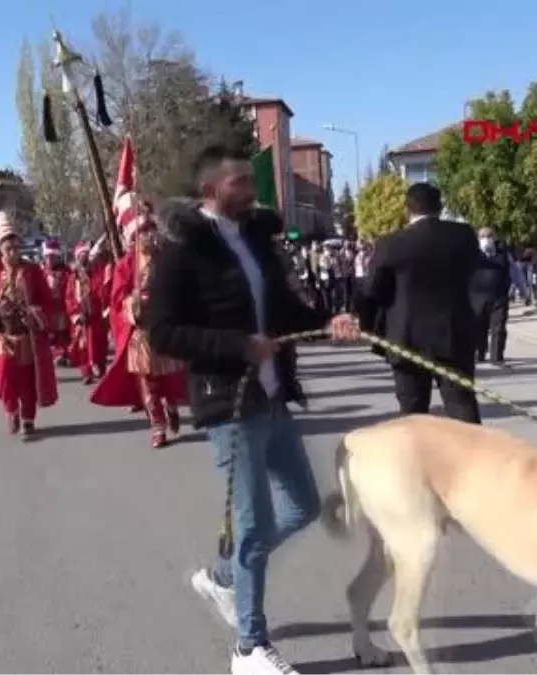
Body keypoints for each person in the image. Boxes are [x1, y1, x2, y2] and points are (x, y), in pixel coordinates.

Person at [145, 145, 358, 675]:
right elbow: (163, 331)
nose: (252, 188)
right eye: (242, 181)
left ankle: (223, 577)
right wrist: (237, 345)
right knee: (254, 521)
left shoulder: (257, 239)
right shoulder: (183, 249)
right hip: (229, 403)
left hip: (273, 394)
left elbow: (282, 308)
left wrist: (327, 322)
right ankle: (249, 648)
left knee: (303, 506)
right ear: (214, 190)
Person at [357, 182, 484, 424]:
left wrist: (369, 326)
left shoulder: (390, 243)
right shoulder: (463, 235)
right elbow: (473, 273)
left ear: (408, 209)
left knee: (413, 413)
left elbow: (371, 290)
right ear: (440, 206)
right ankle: (473, 459)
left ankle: (418, 459)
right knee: (462, 405)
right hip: (453, 334)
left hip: (406, 339)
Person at [90, 215, 187, 448]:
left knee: (169, 377)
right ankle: (157, 426)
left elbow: (181, 287)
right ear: (134, 237)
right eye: (142, 231)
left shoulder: (167, 259)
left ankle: (171, 404)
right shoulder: (126, 264)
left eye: (150, 230)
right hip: (141, 331)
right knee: (148, 383)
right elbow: (116, 297)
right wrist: (131, 302)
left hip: (165, 327)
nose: (147, 235)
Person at [0, 212, 59, 440]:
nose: (14, 253)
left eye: (17, 248)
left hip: (27, 335)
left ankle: (28, 418)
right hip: (2, 335)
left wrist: (37, 314)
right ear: (0, 249)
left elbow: (47, 301)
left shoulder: (31, 271)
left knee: (28, 379)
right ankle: (12, 410)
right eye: (9, 249)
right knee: (4, 373)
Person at [65, 241, 110, 385]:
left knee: (100, 343)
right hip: (81, 318)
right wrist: (76, 314)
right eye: (81, 256)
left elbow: (102, 290)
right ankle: (86, 372)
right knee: (82, 346)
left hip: (96, 316)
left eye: (86, 255)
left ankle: (100, 369)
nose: (83, 258)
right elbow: (69, 297)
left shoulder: (97, 272)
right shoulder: (74, 277)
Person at [472, 228, 512, 364]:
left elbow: (516, 274)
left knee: (499, 327)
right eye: (482, 236)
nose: (486, 238)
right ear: (478, 239)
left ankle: (497, 357)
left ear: (495, 237)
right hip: (477, 298)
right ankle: (480, 353)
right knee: (479, 328)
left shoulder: (504, 255)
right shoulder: (472, 255)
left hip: (499, 297)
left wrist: (524, 292)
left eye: (489, 235)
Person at [40, 240, 72, 365]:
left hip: (62, 308)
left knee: (63, 333)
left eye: (53, 257)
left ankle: (65, 352)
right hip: (47, 309)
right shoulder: (41, 272)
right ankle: (55, 353)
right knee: (50, 334)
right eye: (48, 257)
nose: (50, 260)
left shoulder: (66, 272)